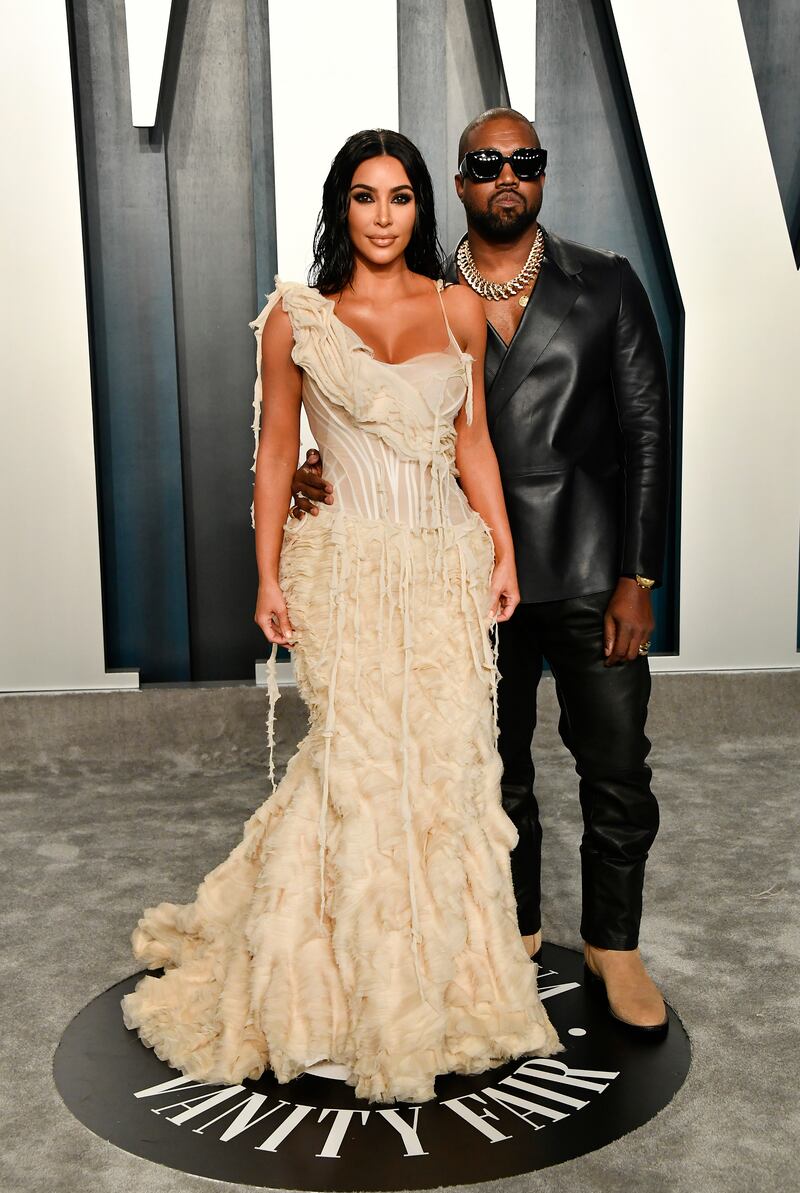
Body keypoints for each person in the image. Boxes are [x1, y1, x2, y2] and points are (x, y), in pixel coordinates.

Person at [120, 127, 561, 1105]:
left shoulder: (456, 306)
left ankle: (440, 986)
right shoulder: (298, 318)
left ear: (420, 208)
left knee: (439, 772)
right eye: (364, 197)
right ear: (340, 207)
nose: (382, 216)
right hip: (342, 569)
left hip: (441, 564)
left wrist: (502, 551)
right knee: (357, 768)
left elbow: (473, 444)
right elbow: (278, 452)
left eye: (399, 197)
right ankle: (331, 996)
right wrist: (267, 575)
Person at [292, 108, 671, 1035]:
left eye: (524, 160)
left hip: (588, 570)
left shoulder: (606, 282)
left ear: (542, 174)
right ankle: (515, 927)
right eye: (487, 162)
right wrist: (321, 466)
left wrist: (640, 575)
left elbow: (647, 433)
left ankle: (614, 946)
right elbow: (387, 415)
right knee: (486, 769)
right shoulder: (425, 291)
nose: (508, 174)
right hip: (460, 575)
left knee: (616, 765)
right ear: (458, 184)